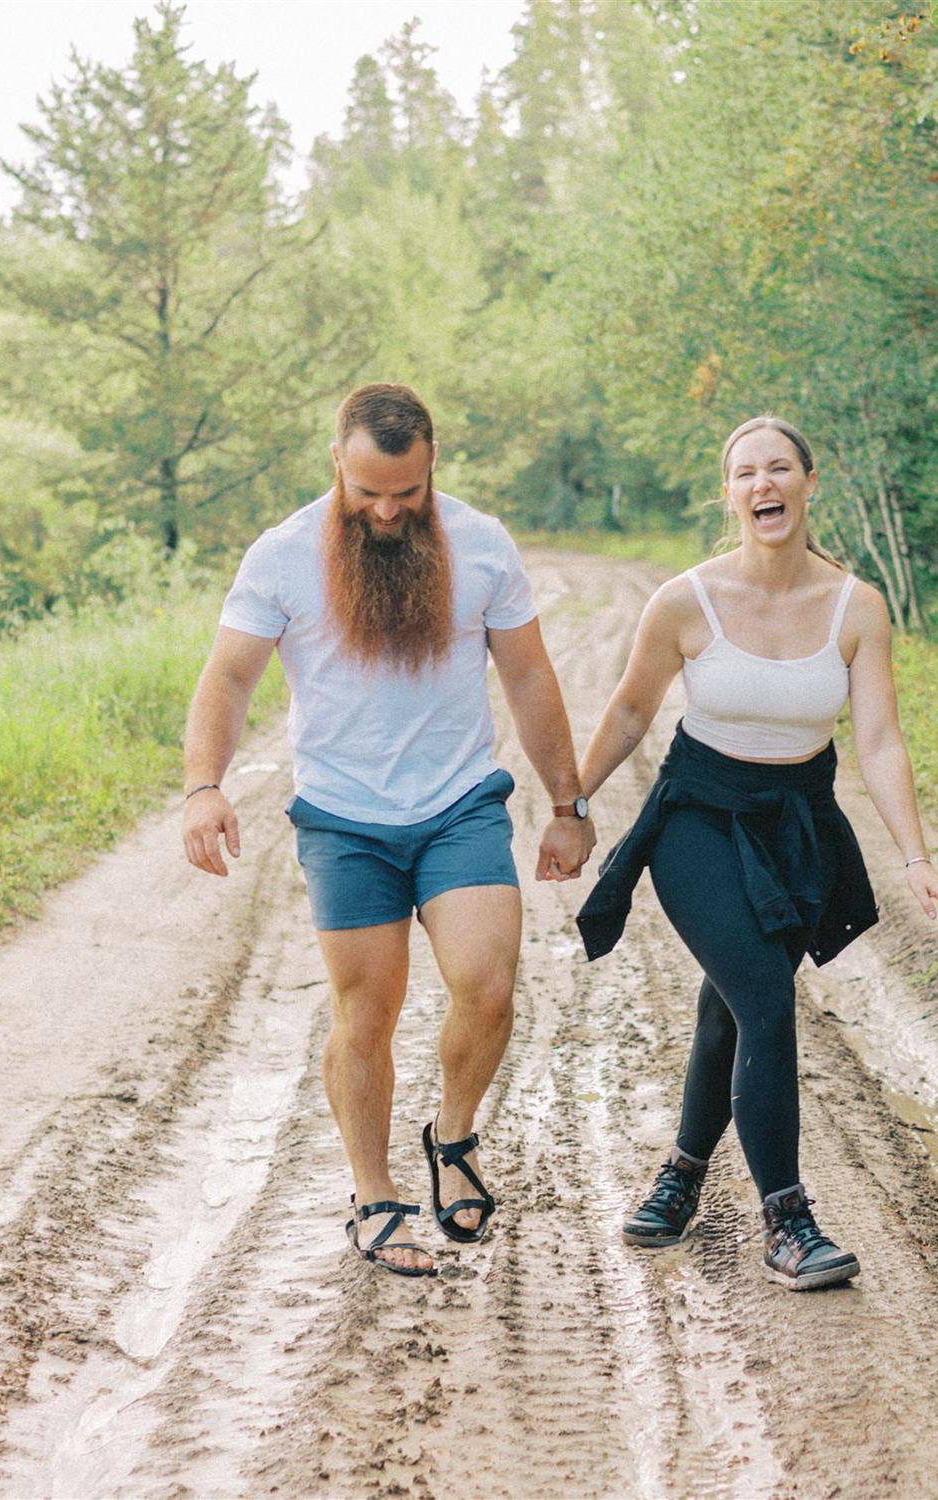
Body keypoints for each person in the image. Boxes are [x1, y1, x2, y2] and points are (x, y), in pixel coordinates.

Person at [182, 383, 596, 1277]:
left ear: (432, 462)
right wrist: (203, 786)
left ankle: (452, 1142)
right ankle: (374, 1197)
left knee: (487, 985)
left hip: (459, 805)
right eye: (368, 491)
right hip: (343, 820)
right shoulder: (284, 555)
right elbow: (228, 679)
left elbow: (527, 676)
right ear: (337, 460)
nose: (386, 510)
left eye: (405, 493)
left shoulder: (482, 545)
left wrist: (567, 805)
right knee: (366, 1013)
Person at [574, 414, 938, 1291]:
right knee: (765, 998)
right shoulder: (686, 601)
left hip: (796, 829)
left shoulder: (856, 606)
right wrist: (575, 802)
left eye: (780, 468)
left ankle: (679, 1179)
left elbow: (879, 741)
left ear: (807, 482)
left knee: (731, 1001)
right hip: (698, 823)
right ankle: (788, 1221)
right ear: (730, 494)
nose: (765, 484)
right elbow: (634, 712)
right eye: (746, 472)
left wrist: (917, 858)